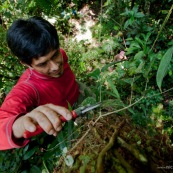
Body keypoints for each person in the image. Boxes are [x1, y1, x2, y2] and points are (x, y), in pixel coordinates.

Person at [0, 16, 80, 150]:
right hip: (66, 120)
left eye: (55, 55)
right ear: (26, 64)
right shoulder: (28, 88)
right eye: (43, 64)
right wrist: (19, 125)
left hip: (80, 94)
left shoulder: (61, 54)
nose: (55, 66)